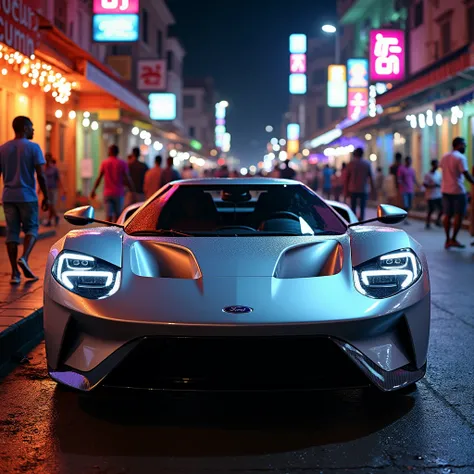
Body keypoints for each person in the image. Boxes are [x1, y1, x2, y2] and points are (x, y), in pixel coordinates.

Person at [0, 116, 49, 284]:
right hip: (27, 196)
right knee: (32, 228)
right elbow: (41, 175)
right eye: (32, 127)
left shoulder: (3, 148)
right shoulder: (34, 148)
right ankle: (24, 258)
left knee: (12, 233)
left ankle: (14, 273)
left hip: (8, 197)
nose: (34, 130)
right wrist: (46, 196)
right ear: (25, 128)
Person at [439, 137, 474, 249]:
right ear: (458, 145)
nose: (465, 147)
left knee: (447, 215)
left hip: (445, 190)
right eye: (464, 145)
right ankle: (453, 239)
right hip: (458, 190)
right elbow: (466, 174)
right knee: (459, 215)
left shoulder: (445, 156)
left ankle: (447, 239)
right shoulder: (460, 157)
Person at [90, 145, 135, 223]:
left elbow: (99, 178)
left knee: (108, 216)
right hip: (119, 193)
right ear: (117, 152)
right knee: (118, 216)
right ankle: (116, 232)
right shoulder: (122, 163)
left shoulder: (105, 163)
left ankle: (109, 232)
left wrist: (93, 190)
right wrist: (132, 189)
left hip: (107, 193)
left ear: (110, 151)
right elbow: (128, 178)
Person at [344, 147, 375, 221]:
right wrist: (373, 190)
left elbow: (347, 178)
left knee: (353, 207)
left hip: (352, 189)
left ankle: (354, 221)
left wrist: (346, 190)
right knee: (362, 207)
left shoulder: (351, 164)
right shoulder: (367, 164)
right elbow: (371, 178)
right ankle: (361, 221)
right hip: (363, 189)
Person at [42, 153, 65, 227]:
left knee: (52, 205)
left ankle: (56, 216)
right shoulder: (44, 168)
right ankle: (50, 220)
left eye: (48, 158)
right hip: (46, 189)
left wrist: (63, 188)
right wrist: (40, 189)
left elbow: (59, 179)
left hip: (54, 189)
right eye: (45, 158)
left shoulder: (54, 168)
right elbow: (42, 179)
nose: (46, 159)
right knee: (49, 205)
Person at [397, 156, 419, 223]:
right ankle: (404, 218)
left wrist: (418, 185)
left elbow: (414, 179)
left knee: (409, 205)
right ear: (406, 161)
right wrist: (402, 184)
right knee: (405, 204)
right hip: (404, 190)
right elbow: (399, 179)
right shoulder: (401, 169)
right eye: (408, 161)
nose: (409, 162)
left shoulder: (412, 170)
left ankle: (406, 216)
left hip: (410, 189)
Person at [423, 159, 443, 229]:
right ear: (433, 165)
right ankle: (428, 222)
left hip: (438, 194)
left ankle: (438, 220)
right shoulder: (428, 174)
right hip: (430, 195)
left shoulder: (438, 174)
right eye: (436, 164)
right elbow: (425, 184)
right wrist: (433, 186)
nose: (437, 166)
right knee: (431, 209)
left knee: (442, 209)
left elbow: (441, 182)